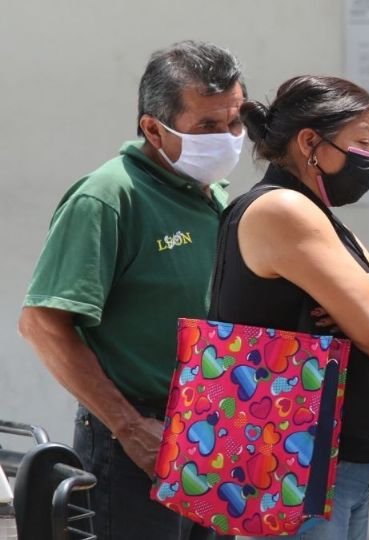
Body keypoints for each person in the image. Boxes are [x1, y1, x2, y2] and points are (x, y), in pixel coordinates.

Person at [18, 41, 245, 539]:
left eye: (234, 121)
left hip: (211, 434)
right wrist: (131, 429)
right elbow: (43, 324)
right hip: (137, 443)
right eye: (207, 125)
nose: (228, 138)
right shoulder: (108, 196)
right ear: (151, 128)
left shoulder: (215, 195)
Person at [211, 74, 369, 540]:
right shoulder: (283, 210)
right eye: (362, 141)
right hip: (298, 461)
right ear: (311, 141)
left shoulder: (318, 215)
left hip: (323, 461)